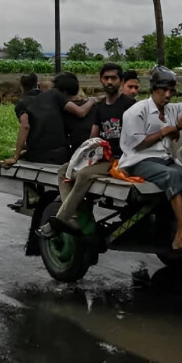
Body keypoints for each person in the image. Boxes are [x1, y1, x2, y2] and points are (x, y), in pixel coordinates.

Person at [40, 63, 136, 237]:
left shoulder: (129, 105)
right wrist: (81, 157)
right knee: (64, 170)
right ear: (101, 80)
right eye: (106, 78)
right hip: (102, 156)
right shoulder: (100, 108)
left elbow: (136, 137)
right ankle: (71, 218)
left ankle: (60, 219)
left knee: (84, 174)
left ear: (121, 81)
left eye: (113, 78)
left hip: (120, 159)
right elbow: (93, 137)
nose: (109, 81)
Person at [118, 66, 182, 251]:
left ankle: (180, 232)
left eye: (171, 91)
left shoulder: (171, 109)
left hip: (164, 160)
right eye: (164, 90)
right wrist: (165, 131)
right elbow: (137, 145)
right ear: (153, 89)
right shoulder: (136, 111)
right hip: (139, 161)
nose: (168, 95)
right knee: (171, 176)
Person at [2, 73, 99, 167]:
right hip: (62, 154)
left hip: (37, 155)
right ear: (38, 84)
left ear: (22, 87)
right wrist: (92, 100)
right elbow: (80, 112)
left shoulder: (23, 104)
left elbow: (25, 126)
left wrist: (15, 156)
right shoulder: (53, 95)